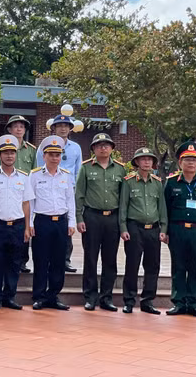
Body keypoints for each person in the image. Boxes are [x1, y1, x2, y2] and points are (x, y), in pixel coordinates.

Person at [75, 132, 127, 312]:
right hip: (92, 217)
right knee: (90, 258)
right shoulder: (86, 168)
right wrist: (79, 218)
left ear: (112, 148)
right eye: (99, 145)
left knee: (110, 259)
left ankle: (106, 297)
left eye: (106, 145)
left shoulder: (120, 169)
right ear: (93, 149)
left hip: (112, 218)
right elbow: (79, 195)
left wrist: (122, 224)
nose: (103, 148)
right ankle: (90, 297)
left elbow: (123, 200)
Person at [164, 141, 196, 319]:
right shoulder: (171, 183)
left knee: (195, 268)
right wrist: (165, 231)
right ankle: (178, 303)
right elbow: (165, 209)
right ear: (180, 162)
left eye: (194, 160)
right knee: (178, 267)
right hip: (177, 230)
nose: (191, 163)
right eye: (187, 160)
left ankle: (194, 303)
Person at [0, 135, 34, 310]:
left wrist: (27, 227)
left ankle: (9, 296)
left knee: (14, 263)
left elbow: (26, 203)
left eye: (12, 152)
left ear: (16, 155)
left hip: (17, 224)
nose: (9, 156)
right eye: (5, 153)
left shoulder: (24, 177)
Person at [30, 135, 76, 311]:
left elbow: (70, 200)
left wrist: (72, 222)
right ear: (44, 156)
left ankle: (53, 295)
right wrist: (30, 223)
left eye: (57, 155)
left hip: (61, 222)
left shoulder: (66, 175)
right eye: (51, 155)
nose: (54, 158)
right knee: (41, 260)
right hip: (42, 221)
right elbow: (30, 201)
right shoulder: (34, 176)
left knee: (58, 261)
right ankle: (39, 296)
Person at [119, 147, 167, 315]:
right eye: (143, 159)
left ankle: (148, 301)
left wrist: (164, 228)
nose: (147, 162)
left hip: (153, 228)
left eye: (149, 159)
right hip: (134, 227)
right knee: (132, 264)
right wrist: (123, 228)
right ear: (137, 162)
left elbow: (162, 207)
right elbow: (123, 207)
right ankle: (129, 300)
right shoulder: (129, 181)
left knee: (153, 266)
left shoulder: (157, 182)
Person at [36, 114, 83, 273]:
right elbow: (39, 168)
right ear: (53, 128)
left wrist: (76, 189)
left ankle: (65, 260)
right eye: (59, 125)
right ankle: (48, 260)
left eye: (66, 126)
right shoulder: (43, 146)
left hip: (67, 188)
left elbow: (78, 171)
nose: (63, 128)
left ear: (70, 129)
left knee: (66, 227)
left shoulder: (76, 147)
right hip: (48, 188)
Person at [0, 115, 37, 273]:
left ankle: (22, 261)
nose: (19, 129)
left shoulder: (31, 150)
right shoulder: (1, 149)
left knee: (23, 226)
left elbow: (34, 173)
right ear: (9, 129)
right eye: (15, 126)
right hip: (4, 191)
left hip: (22, 192)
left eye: (22, 126)